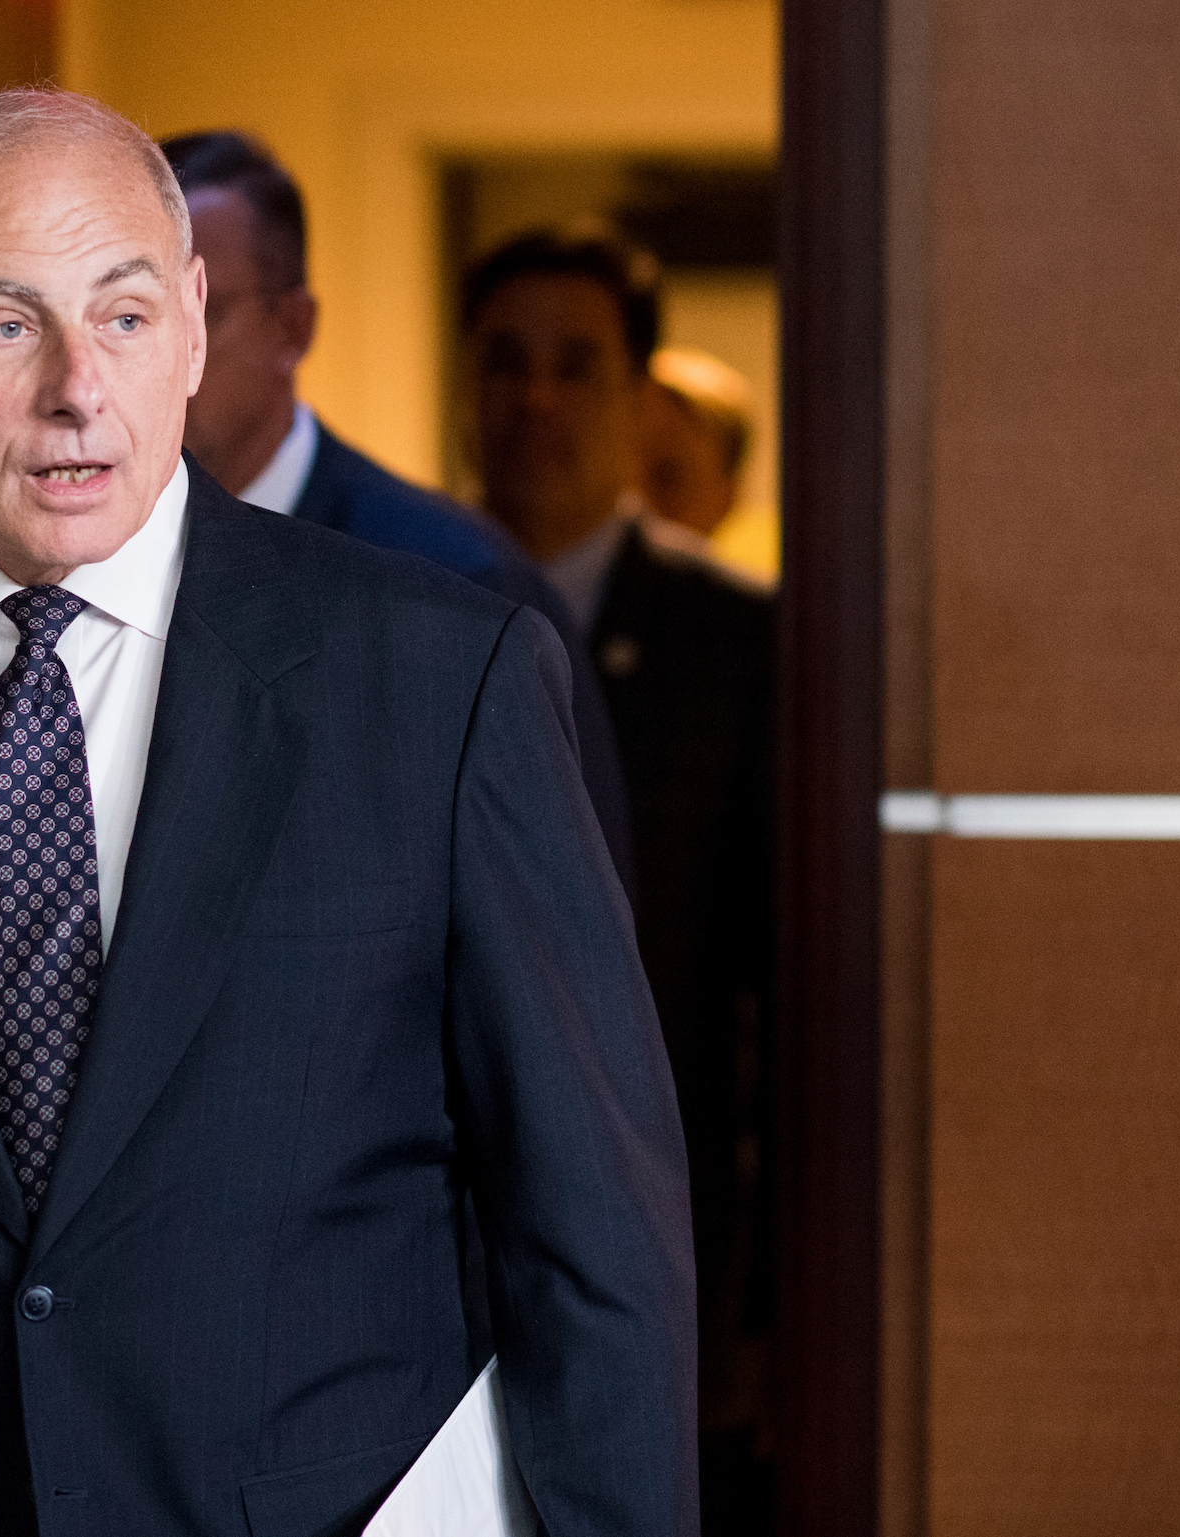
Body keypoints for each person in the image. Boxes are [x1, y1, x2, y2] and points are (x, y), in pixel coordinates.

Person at [0, 88, 695, 1537]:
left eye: (127, 317)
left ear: (199, 323)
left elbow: (593, 1236)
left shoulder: (439, 683)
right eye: (8, 325)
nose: (79, 389)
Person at [463, 223, 776, 1530]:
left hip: (664, 1227)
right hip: (433, 1235)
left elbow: (771, 984)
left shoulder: (741, 640)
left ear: (638, 394)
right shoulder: (382, 598)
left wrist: (754, 1304)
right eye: (506, 361)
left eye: (577, 364)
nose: (537, 398)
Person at [162, 129, 634, 891]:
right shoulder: (81, 555)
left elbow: (556, 938)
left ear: (293, 329)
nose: (146, 356)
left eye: (194, 314)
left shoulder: (451, 582)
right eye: (123, 314)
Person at [642, 345, 777, 586]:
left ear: (726, 499)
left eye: (667, 477)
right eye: (617, 472)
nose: (634, 499)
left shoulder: (750, 616)